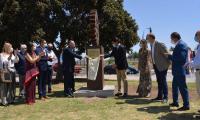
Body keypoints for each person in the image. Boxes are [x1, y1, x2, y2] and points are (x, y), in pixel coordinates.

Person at [166, 32, 190, 111]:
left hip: (180, 70)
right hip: (177, 71)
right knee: (174, 87)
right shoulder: (179, 44)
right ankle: (175, 102)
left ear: (175, 37)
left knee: (183, 88)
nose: (171, 40)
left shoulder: (181, 45)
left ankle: (186, 105)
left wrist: (170, 56)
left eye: (171, 38)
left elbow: (181, 58)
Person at [146, 33, 170, 103]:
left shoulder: (159, 44)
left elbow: (167, 54)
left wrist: (169, 63)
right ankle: (160, 96)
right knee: (159, 81)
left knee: (163, 81)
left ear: (151, 38)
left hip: (163, 66)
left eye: (147, 38)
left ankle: (165, 97)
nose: (147, 39)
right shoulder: (151, 44)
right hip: (156, 66)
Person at [185, 30, 200, 112]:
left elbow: (198, 62)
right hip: (197, 71)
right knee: (199, 90)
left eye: (196, 35)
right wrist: (191, 62)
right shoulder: (198, 46)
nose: (195, 37)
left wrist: (190, 64)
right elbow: (196, 59)